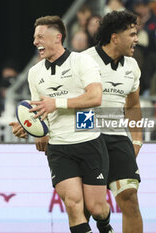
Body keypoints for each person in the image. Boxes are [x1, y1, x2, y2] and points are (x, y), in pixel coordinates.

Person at [9, 16, 114, 233]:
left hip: (89, 141)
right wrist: (29, 126)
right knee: (73, 205)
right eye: (34, 37)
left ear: (57, 37)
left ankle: (105, 226)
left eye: (40, 37)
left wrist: (56, 103)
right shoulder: (35, 73)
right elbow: (39, 109)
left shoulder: (82, 62)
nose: (35, 41)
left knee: (96, 208)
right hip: (58, 148)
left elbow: (95, 97)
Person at [83, 10, 143, 233]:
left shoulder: (132, 66)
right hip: (88, 137)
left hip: (118, 137)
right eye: (132, 34)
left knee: (130, 198)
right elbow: (72, 101)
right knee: (90, 206)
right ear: (115, 37)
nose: (136, 39)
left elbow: (133, 105)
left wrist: (136, 139)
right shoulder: (84, 60)